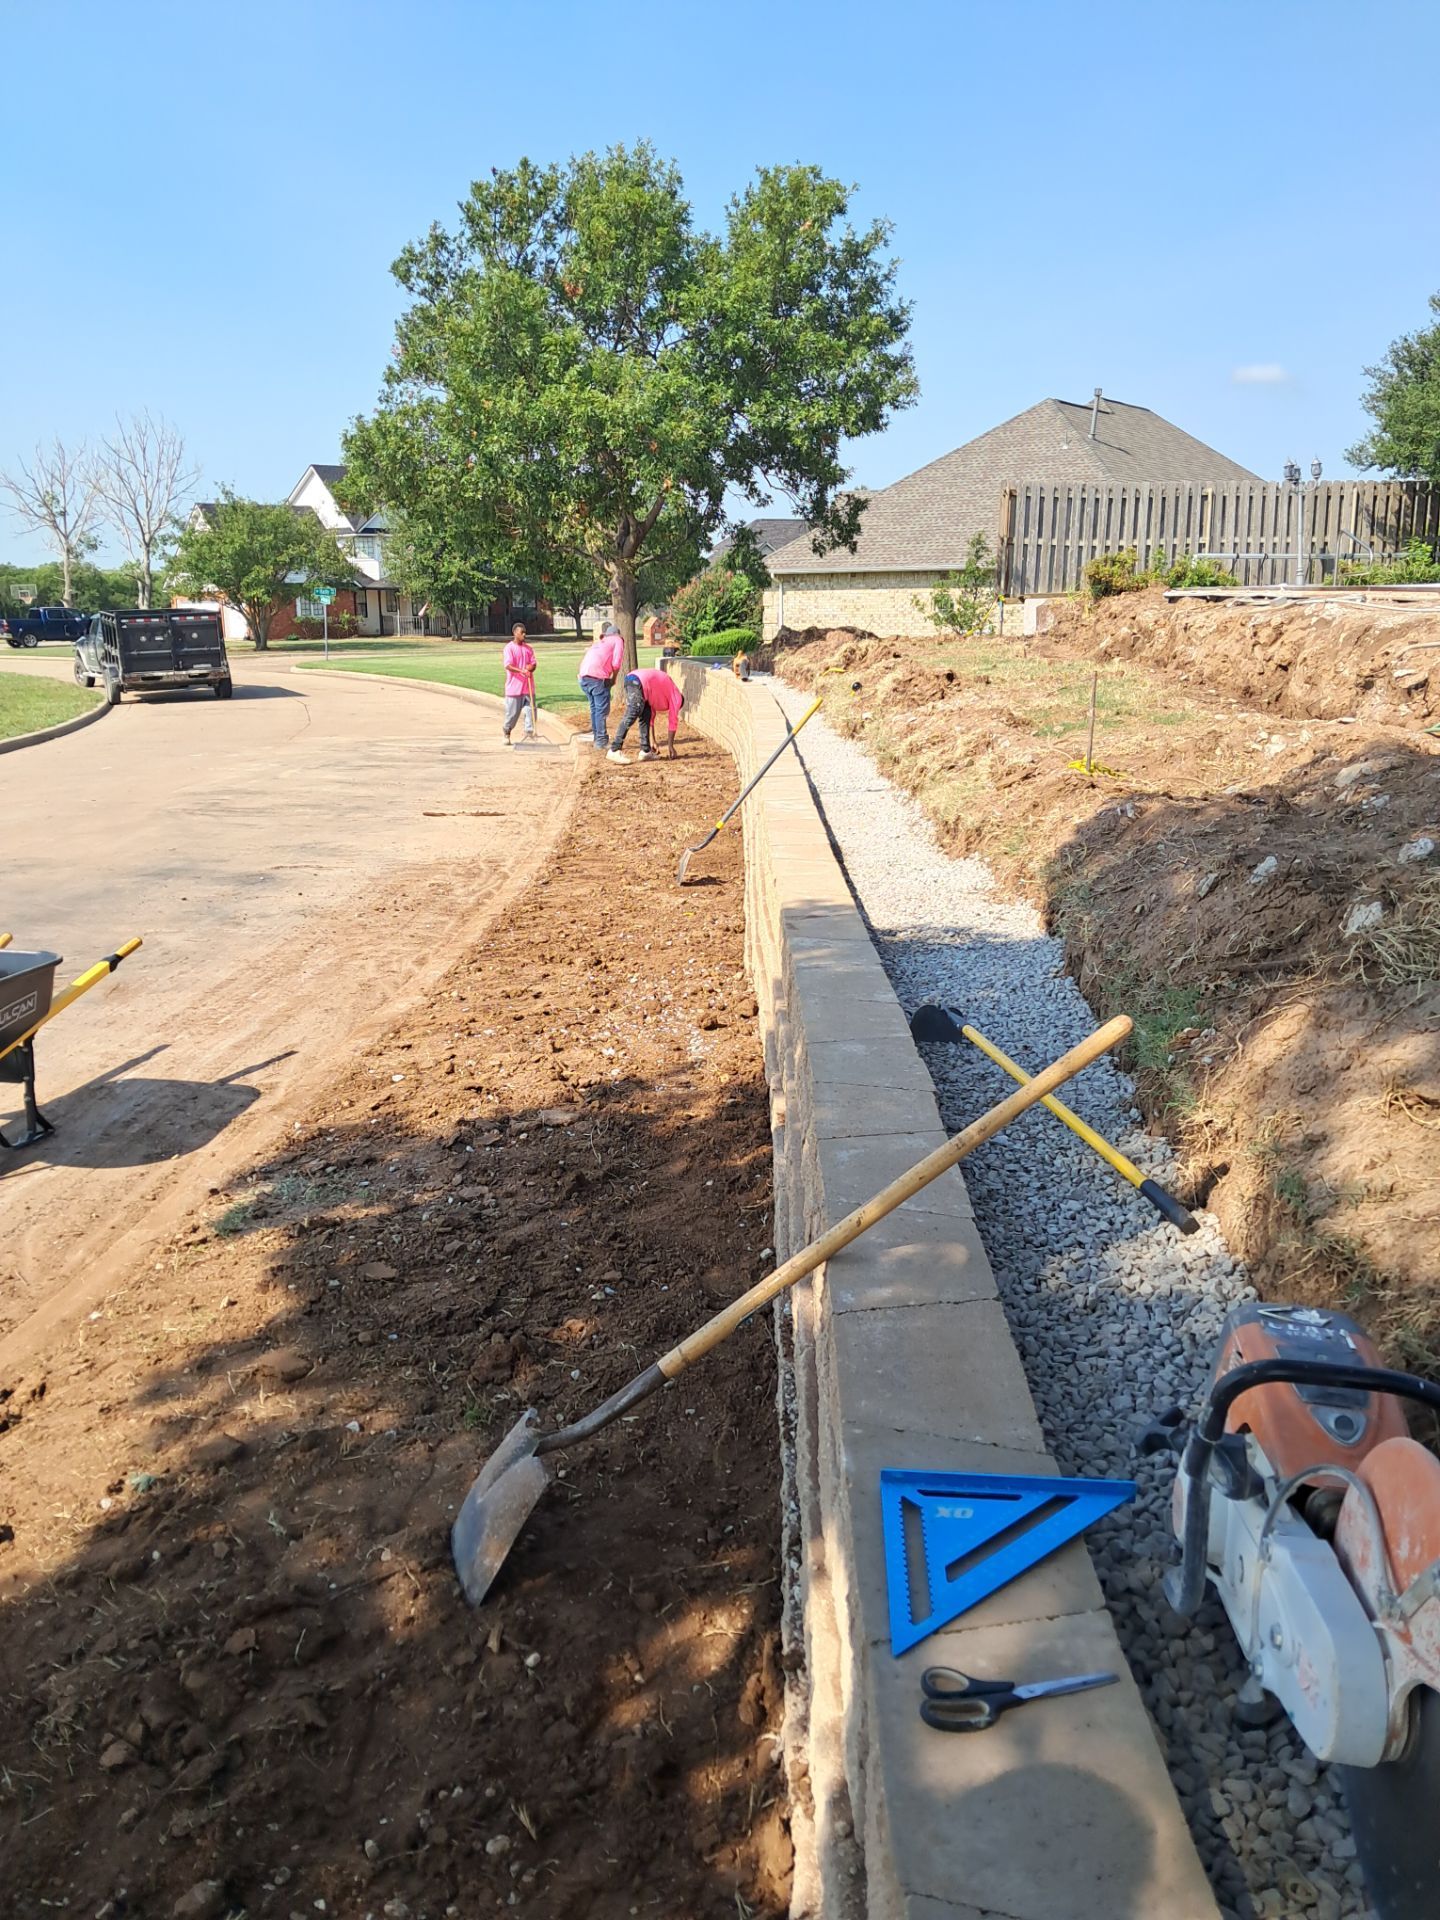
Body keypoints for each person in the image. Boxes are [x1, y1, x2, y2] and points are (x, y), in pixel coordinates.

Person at [608, 664, 684, 764]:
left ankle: (645, 751)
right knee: (633, 710)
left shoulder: (660, 695)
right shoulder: (677, 697)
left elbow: (651, 720)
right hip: (637, 681)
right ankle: (614, 749)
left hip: (637, 682)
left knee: (646, 714)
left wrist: (653, 741)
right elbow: (673, 722)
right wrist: (670, 746)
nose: (676, 709)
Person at [577, 620, 624, 750]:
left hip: (583, 678)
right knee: (601, 710)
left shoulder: (598, 644)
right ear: (617, 634)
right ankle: (601, 741)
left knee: (595, 709)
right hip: (597, 678)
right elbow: (616, 663)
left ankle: (597, 737)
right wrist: (614, 679)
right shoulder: (618, 640)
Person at [501, 621, 536, 745]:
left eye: (525, 633)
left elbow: (534, 663)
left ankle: (529, 731)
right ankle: (507, 731)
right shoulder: (509, 648)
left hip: (528, 686)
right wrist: (522, 670)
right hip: (514, 688)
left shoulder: (528, 649)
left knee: (530, 709)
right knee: (512, 714)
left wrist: (530, 668)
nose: (524, 635)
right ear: (515, 633)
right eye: (522, 633)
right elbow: (508, 665)